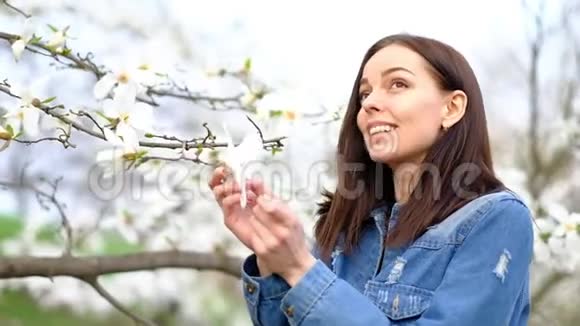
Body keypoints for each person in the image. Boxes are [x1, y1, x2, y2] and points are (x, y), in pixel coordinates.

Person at [208, 33, 534, 326]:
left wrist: (301, 270)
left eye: (398, 85)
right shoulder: (347, 228)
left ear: (451, 107)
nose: (370, 104)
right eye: (365, 93)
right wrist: (270, 254)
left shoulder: (497, 219)